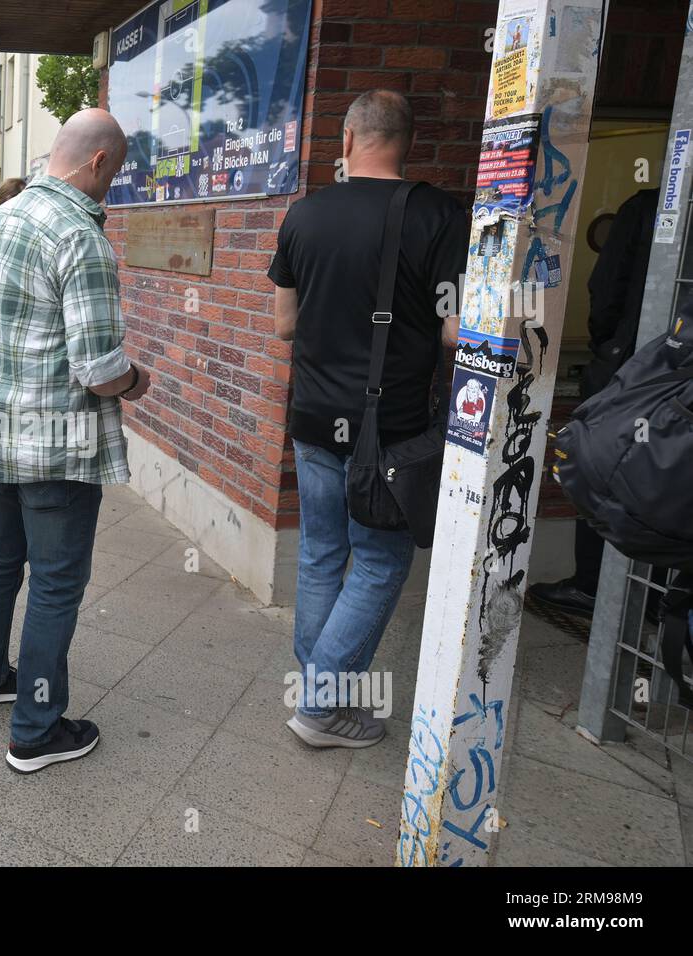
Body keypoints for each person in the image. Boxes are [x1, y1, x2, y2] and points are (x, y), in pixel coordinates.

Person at [0, 109, 149, 774]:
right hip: (53, 441)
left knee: (1, 556)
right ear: (96, 163)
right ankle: (34, 729)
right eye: (112, 175)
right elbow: (98, 370)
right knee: (57, 583)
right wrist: (137, 379)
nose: (109, 188)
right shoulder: (80, 236)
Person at [269, 89, 467, 749]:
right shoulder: (438, 214)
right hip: (392, 427)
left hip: (315, 417)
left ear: (349, 139)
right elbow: (453, 332)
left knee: (323, 553)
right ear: (405, 142)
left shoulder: (304, 215)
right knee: (380, 560)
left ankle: (317, 694)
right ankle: (321, 704)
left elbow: (285, 324)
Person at [529, 188, 660, 619]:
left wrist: (610, 347)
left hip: (631, 368)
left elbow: (606, 289)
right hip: (653, 370)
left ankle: (593, 585)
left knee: (602, 472)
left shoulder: (646, 207)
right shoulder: (648, 208)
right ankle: (657, 596)